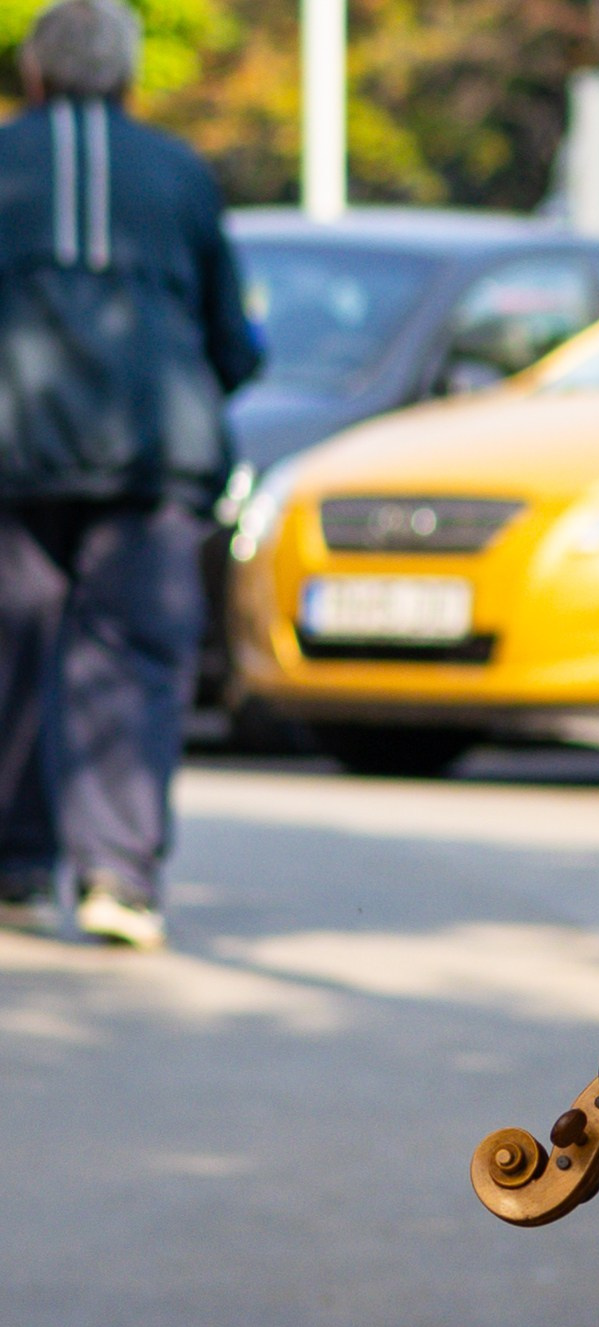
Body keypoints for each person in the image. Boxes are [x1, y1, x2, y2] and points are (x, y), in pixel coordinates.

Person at [0, 0, 260, 948]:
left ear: (34, 75)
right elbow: (230, 333)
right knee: (137, 660)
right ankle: (121, 876)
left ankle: (19, 865)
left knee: (12, 651)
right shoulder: (180, 171)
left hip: (12, 455)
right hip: (155, 457)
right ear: (127, 78)